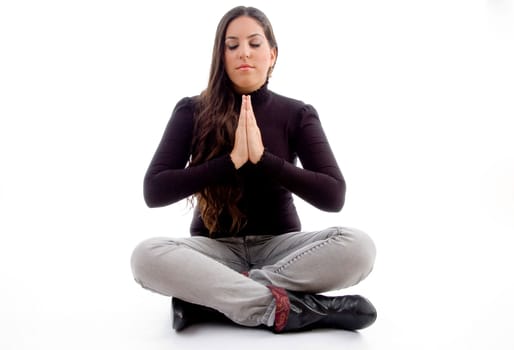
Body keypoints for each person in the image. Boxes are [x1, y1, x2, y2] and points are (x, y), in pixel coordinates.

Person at [131, 5, 377, 333]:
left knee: (359, 247)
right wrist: (229, 162)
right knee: (146, 256)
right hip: (214, 251)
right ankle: (291, 307)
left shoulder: (297, 113)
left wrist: (264, 160)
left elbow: (334, 196)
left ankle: (214, 298)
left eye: (254, 43)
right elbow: (155, 190)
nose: (244, 53)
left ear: (272, 54)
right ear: (221, 55)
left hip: (282, 252)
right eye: (232, 45)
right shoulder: (192, 110)